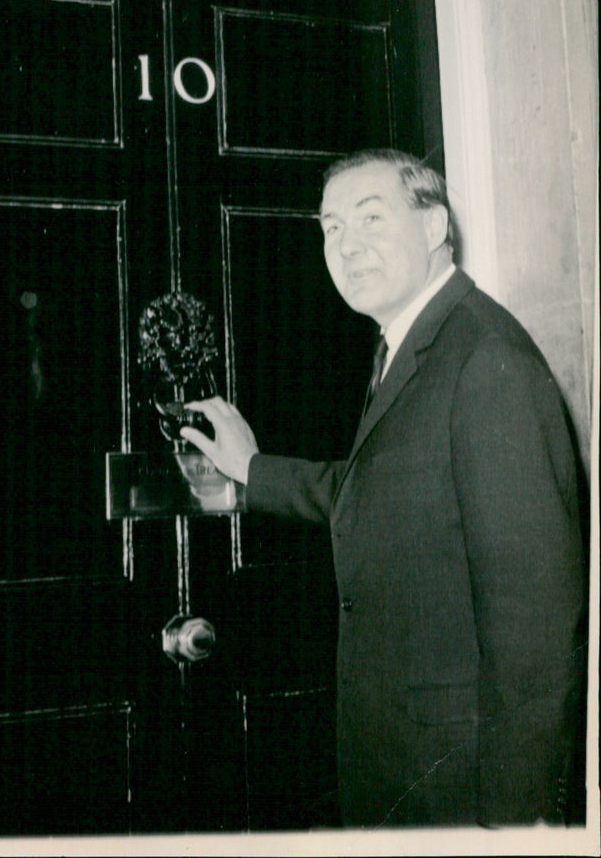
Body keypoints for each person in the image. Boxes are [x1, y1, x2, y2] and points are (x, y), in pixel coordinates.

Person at [181, 148, 587, 828]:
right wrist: (250, 471)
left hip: (463, 792)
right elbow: (386, 489)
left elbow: (538, 633)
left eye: (371, 217)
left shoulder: (486, 359)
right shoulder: (412, 343)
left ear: (435, 227)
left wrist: (516, 829)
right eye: (331, 227)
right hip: (406, 771)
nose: (347, 244)